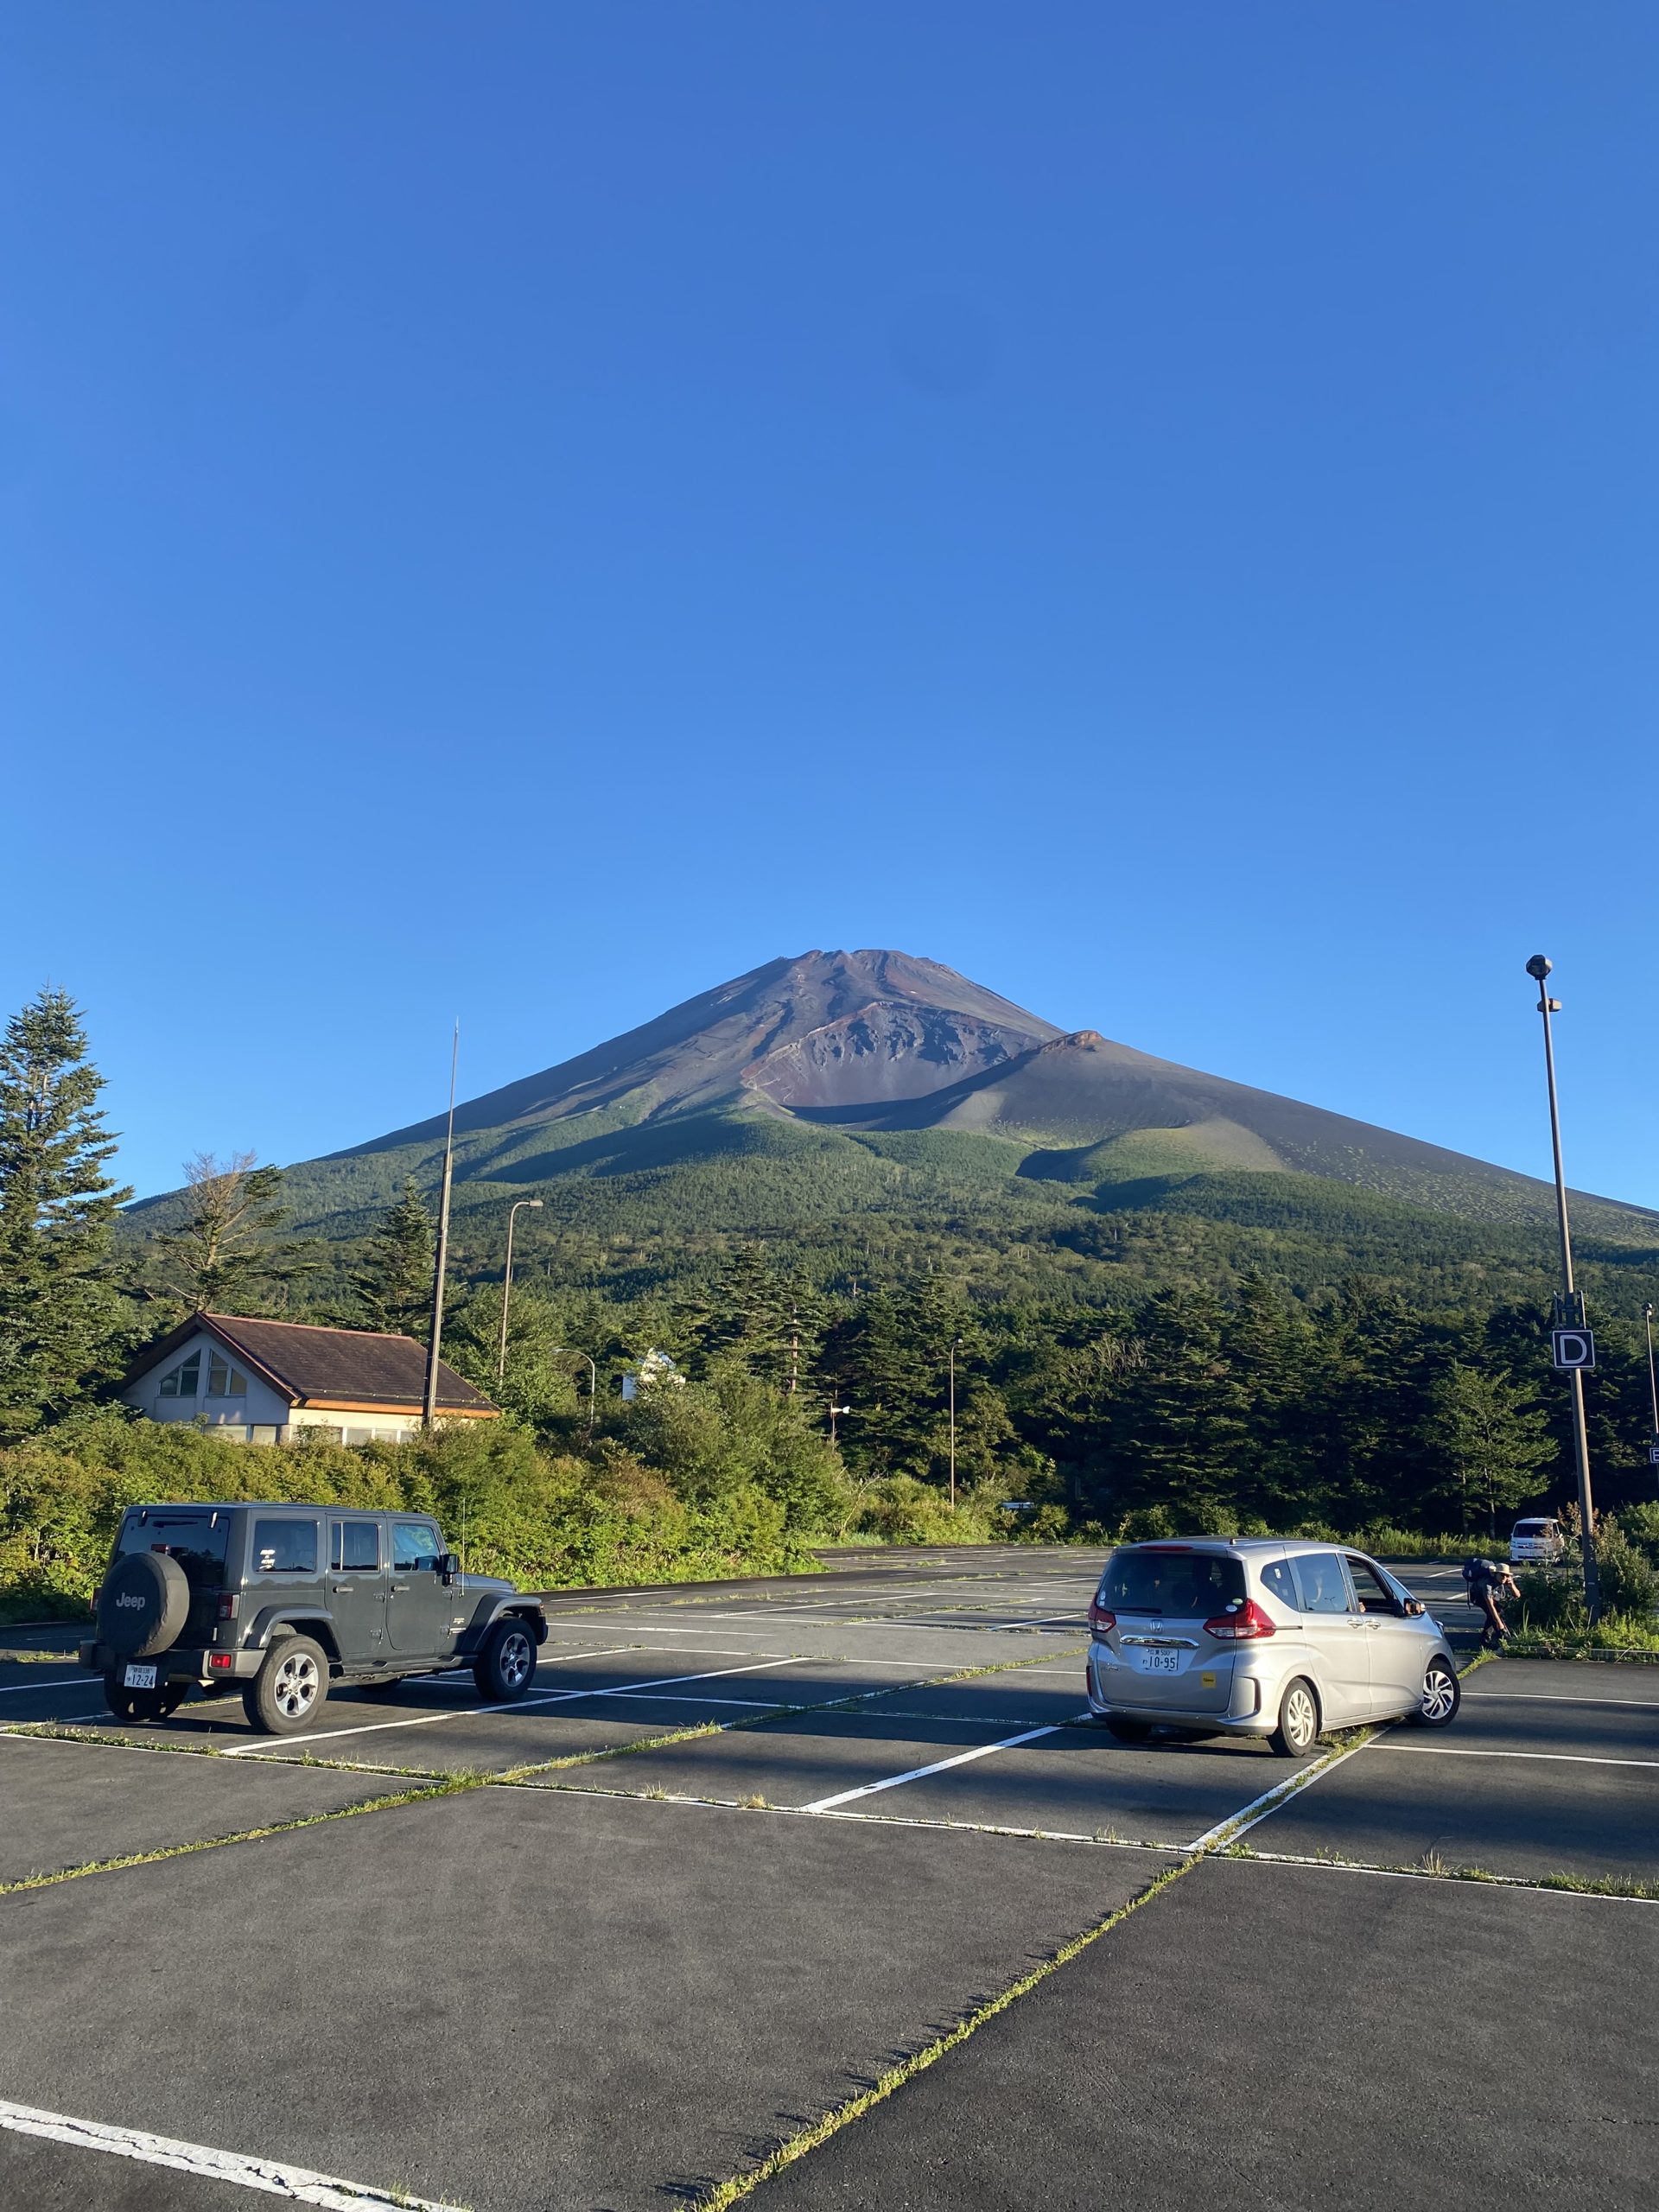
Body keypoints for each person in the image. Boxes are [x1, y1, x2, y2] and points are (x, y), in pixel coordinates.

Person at [1462, 1554, 1521, 1649]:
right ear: (1495, 1574)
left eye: (1507, 1575)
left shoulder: (1506, 1580)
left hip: (1490, 1595)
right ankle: (1500, 1636)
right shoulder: (1487, 1583)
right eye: (1502, 1575)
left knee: (1498, 1612)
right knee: (1494, 1613)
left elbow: (1517, 1595)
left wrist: (1511, 1585)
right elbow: (1490, 1604)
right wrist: (1499, 1624)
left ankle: (1486, 1637)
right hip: (1477, 1596)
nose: (1504, 1578)